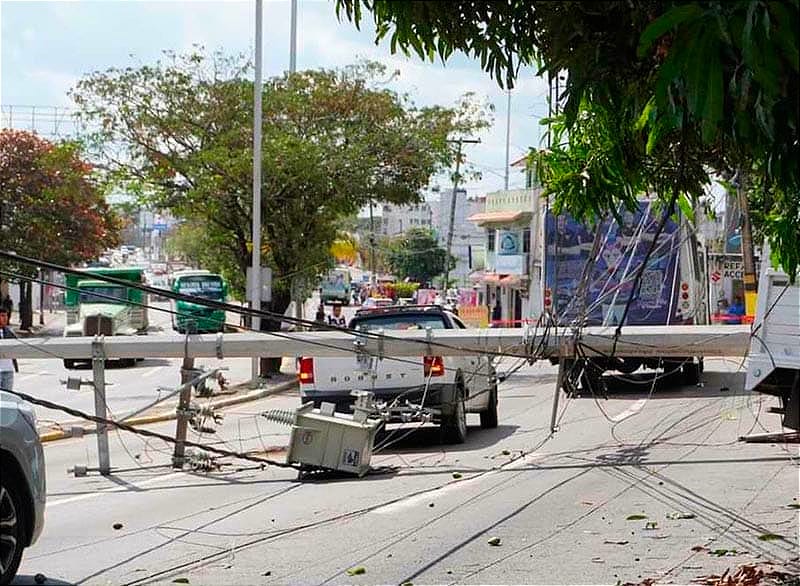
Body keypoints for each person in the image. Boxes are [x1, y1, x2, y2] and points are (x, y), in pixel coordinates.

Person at [0, 307, 20, 391]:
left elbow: (17, 346)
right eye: (2, 316)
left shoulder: (9, 332)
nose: (5, 318)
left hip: (8, 370)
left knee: (8, 398)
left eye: (6, 316)